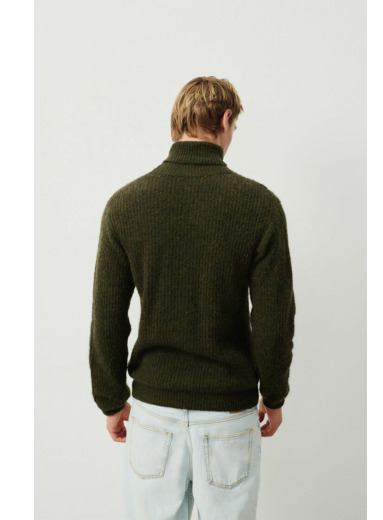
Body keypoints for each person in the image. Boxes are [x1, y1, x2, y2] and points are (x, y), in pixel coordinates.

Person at [89, 76, 296, 520]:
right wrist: (275, 395)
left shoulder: (125, 204)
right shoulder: (259, 206)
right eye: (234, 127)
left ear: (177, 122)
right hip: (229, 413)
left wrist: (111, 398)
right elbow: (274, 319)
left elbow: (107, 316)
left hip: (153, 415)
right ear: (225, 119)